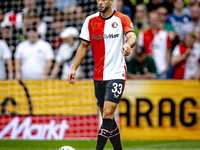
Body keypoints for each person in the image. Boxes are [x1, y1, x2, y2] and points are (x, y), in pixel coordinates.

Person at [68, 0, 137, 149]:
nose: (100, 2)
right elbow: (83, 45)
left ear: (111, 1)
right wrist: (74, 68)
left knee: (107, 113)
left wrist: (127, 44)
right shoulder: (90, 20)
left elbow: (132, 37)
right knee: (108, 119)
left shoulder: (122, 19)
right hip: (99, 75)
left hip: (117, 73)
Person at [137, 10, 171, 79]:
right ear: (149, 20)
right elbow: (140, 52)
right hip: (147, 70)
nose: (154, 21)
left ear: (158, 20)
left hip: (161, 68)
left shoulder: (164, 34)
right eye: (152, 19)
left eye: (155, 19)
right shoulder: (143, 34)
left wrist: (167, 65)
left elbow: (168, 50)